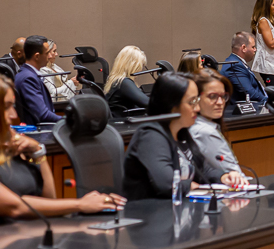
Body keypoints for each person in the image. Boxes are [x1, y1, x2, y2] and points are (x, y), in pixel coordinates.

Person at [0, 72, 124, 226]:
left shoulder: (13, 148)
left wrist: (39, 153)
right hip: (1, 238)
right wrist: (80, 204)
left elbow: (49, 199)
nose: (13, 114)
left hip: (33, 232)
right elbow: (14, 207)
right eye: (6, 107)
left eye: (13, 106)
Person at [123, 73, 238, 201]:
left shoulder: (181, 132)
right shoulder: (150, 136)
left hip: (177, 208)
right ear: (172, 105)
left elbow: (202, 169)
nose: (197, 108)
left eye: (197, 101)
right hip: (147, 210)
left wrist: (223, 177)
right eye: (192, 102)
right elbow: (167, 184)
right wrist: (192, 186)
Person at [188, 71, 252, 188]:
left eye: (223, 96)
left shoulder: (197, 125)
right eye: (212, 96)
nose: (220, 102)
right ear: (195, 98)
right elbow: (235, 173)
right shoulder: (204, 131)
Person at [10, 36, 61, 124]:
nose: (49, 56)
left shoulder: (28, 74)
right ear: (37, 56)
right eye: (47, 53)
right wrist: (68, 120)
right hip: (39, 130)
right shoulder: (28, 78)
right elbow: (42, 114)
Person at [102, 45, 152, 113]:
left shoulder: (117, 81)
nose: (141, 69)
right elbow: (148, 103)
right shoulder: (124, 83)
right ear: (134, 66)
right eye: (141, 66)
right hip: (125, 118)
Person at [220, 33, 267, 102]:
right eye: (253, 47)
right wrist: (268, 102)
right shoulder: (234, 66)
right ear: (244, 48)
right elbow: (250, 94)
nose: (255, 49)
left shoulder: (237, 62)